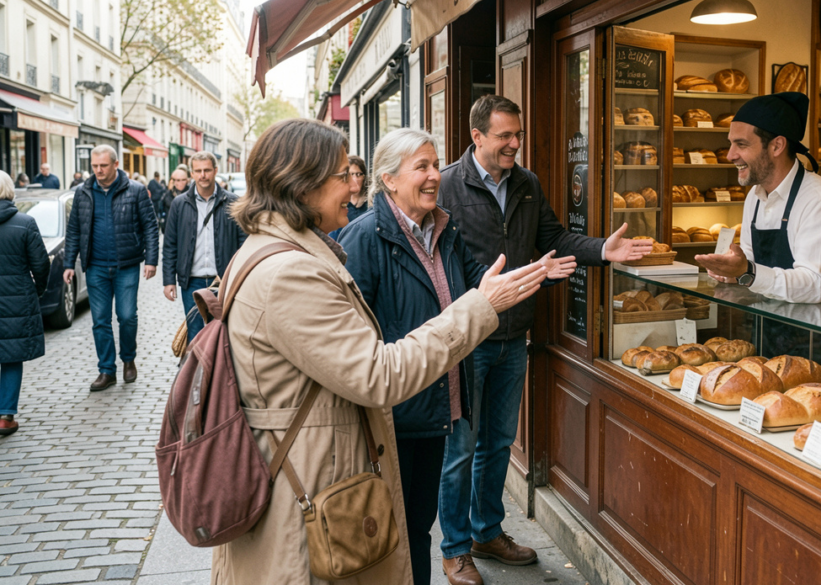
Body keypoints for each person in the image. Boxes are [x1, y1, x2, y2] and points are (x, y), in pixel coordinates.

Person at [212, 118, 549, 585]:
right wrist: (481, 306)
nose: (353, 185)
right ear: (302, 184)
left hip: (328, 464)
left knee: (413, 531)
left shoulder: (283, 252)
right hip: (305, 488)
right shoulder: (291, 271)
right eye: (340, 175)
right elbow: (377, 374)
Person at [339, 129, 575, 585]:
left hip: (440, 406)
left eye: (434, 165)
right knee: (393, 536)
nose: (434, 177)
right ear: (387, 179)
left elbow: (479, 287)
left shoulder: (444, 230)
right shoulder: (365, 238)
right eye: (421, 168)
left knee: (418, 528)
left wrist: (535, 273)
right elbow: (355, 341)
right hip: (395, 414)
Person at [436, 94, 652, 585]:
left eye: (518, 135)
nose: (515, 144)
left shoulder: (527, 184)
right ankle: (453, 549)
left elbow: (555, 240)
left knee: (497, 442)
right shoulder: (448, 186)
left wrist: (602, 249)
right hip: (468, 338)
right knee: (461, 447)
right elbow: (438, 264)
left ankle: (486, 532)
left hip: (514, 338)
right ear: (476, 136)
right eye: (504, 136)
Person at [695, 92, 821, 304]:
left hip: (820, 331)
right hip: (771, 324)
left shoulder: (820, 199)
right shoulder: (754, 195)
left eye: (741, 144)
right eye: (731, 143)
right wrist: (735, 272)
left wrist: (748, 272)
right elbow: (752, 265)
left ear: (777, 146)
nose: (730, 155)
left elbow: (814, 285)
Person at [63, 145, 160, 391]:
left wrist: (151, 260)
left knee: (127, 317)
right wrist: (68, 264)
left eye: (103, 166)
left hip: (126, 265)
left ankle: (128, 359)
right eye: (94, 166)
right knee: (100, 321)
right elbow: (74, 229)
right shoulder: (83, 192)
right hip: (95, 266)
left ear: (116, 164)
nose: (98, 171)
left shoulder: (136, 190)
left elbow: (150, 226)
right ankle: (107, 370)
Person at [162, 152, 246, 343]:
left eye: (207, 170)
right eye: (198, 171)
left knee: (223, 334)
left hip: (223, 281)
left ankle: (219, 373)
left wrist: (237, 276)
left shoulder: (232, 202)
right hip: (192, 281)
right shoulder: (179, 203)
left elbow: (244, 243)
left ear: (215, 171)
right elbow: (170, 245)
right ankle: (197, 373)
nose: (203, 175)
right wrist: (169, 281)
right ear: (192, 173)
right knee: (196, 336)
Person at [0, 171, 50, 436]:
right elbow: (41, 264)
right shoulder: (25, 222)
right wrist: (37, 291)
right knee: (10, 356)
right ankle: (6, 416)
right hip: (16, 301)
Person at [328, 155, 369, 239]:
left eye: (358, 174)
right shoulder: (340, 204)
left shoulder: (371, 202)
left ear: (364, 177)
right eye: (350, 175)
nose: (354, 179)